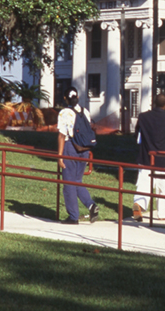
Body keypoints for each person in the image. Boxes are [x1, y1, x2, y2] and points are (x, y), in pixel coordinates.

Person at [56, 86, 99, 225]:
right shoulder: (85, 111)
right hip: (84, 150)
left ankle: (73, 216)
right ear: (78, 97)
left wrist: (60, 156)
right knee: (77, 181)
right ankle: (91, 205)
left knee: (68, 183)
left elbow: (62, 135)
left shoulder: (65, 113)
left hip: (70, 148)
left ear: (65, 98)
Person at [132, 93, 165, 221]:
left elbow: (137, 135)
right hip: (164, 157)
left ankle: (139, 204)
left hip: (146, 155)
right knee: (163, 186)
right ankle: (163, 213)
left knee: (144, 183)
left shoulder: (143, 117)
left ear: (154, 103)